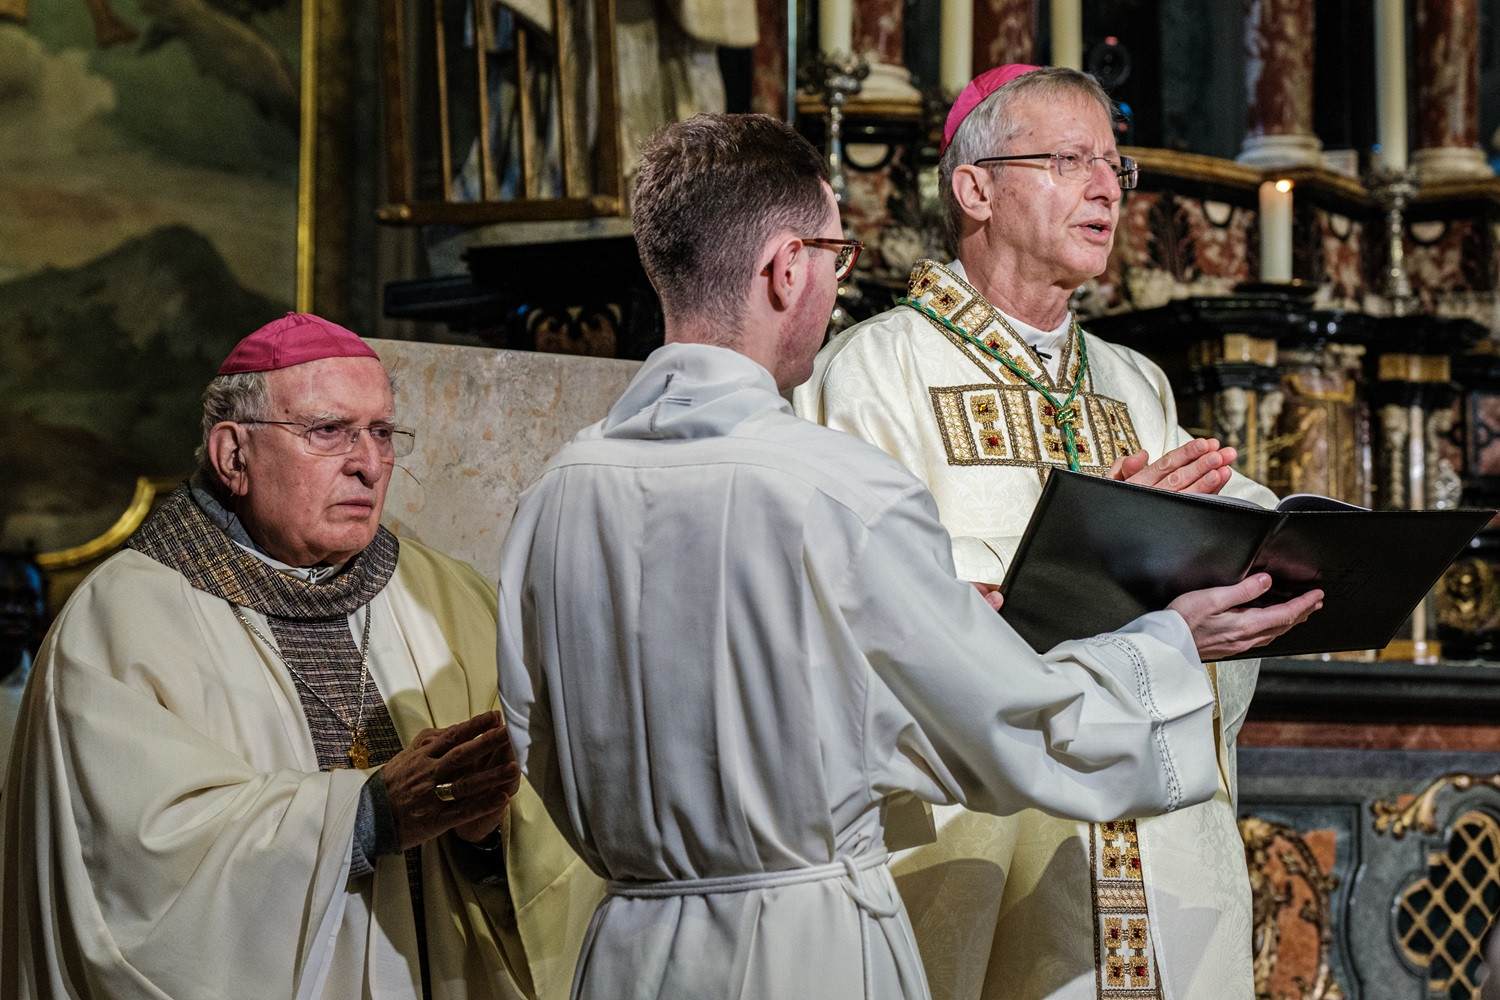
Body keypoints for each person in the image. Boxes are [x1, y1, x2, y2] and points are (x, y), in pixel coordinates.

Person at [496, 112, 1320, 1000]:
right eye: (836, 258)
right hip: (803, 945)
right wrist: (1168, 640)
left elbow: (531, 737)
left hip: (631, 947)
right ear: (786, 271)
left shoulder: (556, 494)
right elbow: (1003, 729)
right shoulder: (841, 483)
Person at [793, 65, 1283, 1000]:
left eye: (1113, 165)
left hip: (1151, 841)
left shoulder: (1137, 387)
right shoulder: (871, 376)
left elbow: (1213, 597)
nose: (1107, 188)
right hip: (981, 842)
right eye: (1068, 160)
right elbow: (862, 625)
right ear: (975, 188)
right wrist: (1102, 551)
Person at [1, 313, 558, 999]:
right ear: (234, 455)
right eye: (329, 431)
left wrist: (485, 834)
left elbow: (552, 845)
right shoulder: (122, 623)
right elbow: (130, 882)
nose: (370, 462)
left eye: (382, 433)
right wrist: (368, 816)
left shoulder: (450, 599)